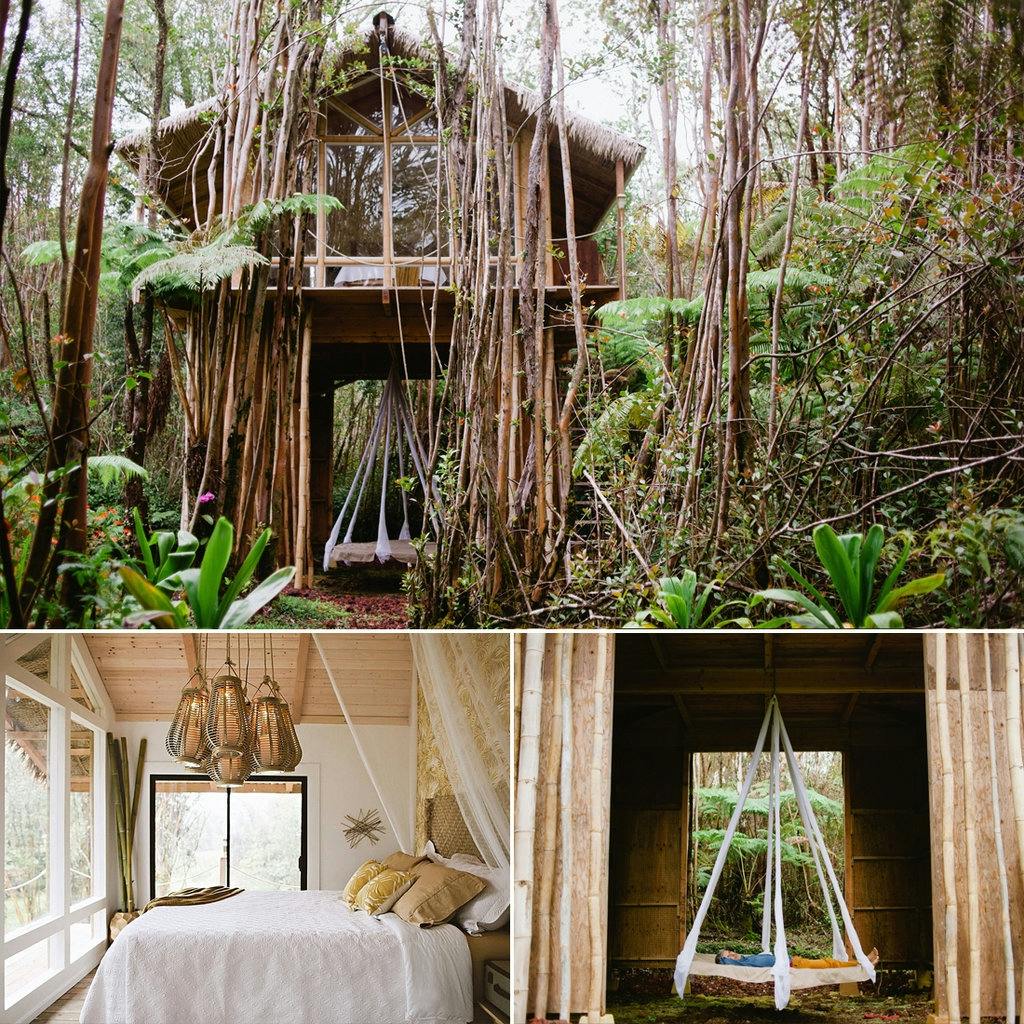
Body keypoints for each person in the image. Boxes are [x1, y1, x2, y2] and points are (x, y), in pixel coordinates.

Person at [715, 947, 880, 969]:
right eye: (728, 956)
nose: (731, 954)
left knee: (829, 961)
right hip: (794, 965)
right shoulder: (744, 963)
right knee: (830, 963)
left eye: (729, 951)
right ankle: (863, 962)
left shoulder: (747, 957)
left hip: (794, 960)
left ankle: (863, 962)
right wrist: (723, 957)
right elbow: (722, 961)